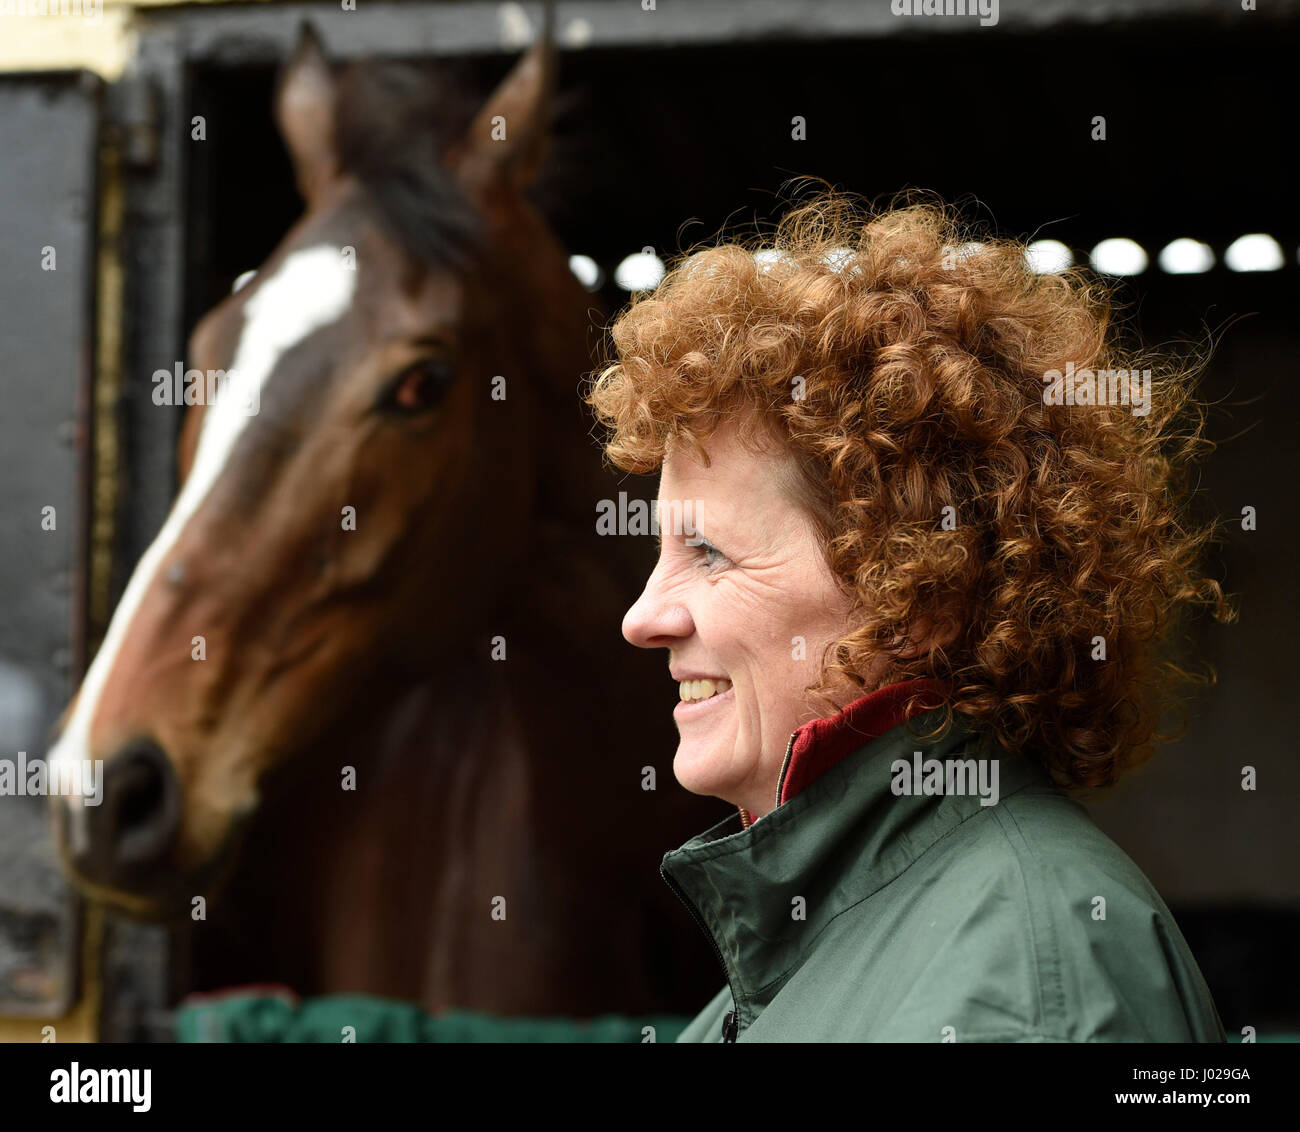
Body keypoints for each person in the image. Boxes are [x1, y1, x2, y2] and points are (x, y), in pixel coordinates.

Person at [585, 189, 1233, 1042]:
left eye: (707, 553)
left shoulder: (1030, 979)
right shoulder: (803, 955)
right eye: (660, 552)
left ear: (917, 594)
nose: (643, 617)